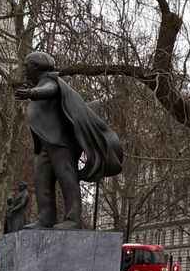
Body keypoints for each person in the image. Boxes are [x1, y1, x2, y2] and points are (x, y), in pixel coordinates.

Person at [14, 51, 124, 229]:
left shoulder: (51, 81)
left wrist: (32, 93)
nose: (24, 69)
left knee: (67, 177)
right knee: (41, 180)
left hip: (60, 143)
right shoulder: (41, 82)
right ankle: (46, 217)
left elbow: (50, 91)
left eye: (27, 66)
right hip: (46, 143)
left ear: (38, 67)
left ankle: (73, 219)